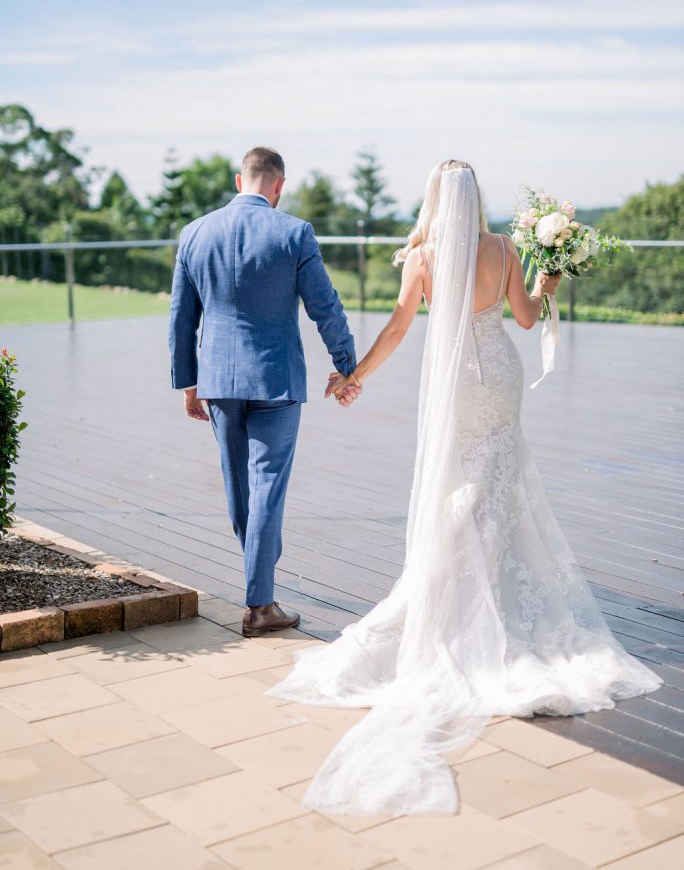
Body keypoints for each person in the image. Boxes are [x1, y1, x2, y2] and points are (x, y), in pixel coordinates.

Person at [269, 159, 662, 816]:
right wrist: (550, 275)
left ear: (432, 201)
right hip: (499, 377)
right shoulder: (504, 248)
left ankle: (457, 596)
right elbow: (529, 320)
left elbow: (398, 328)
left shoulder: (420, 256)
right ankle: (495, 598)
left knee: (463, 488)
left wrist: (352, 376)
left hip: (455, 389)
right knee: (498, 484)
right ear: (475, 199)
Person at [168, 146, 357, 637]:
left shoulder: (194, 234)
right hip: (276, 379)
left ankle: (259, 581)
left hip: (218, 383)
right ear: (279, 185)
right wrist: (347, 365)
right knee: (268, 485)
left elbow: (181, 318)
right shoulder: (294, 232)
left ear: (239, 181)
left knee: (239, 487)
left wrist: (188, 382)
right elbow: (325, 306)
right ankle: (260, 602)